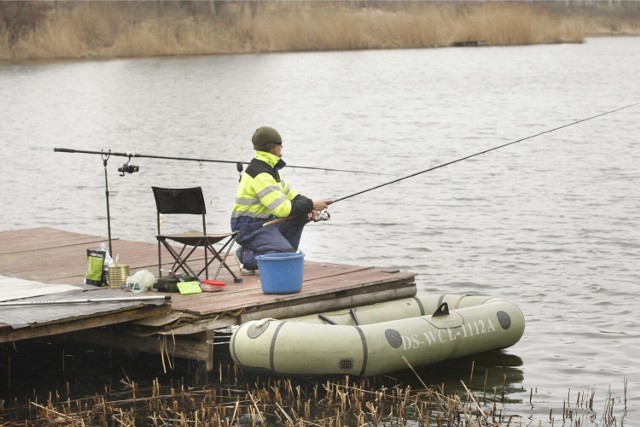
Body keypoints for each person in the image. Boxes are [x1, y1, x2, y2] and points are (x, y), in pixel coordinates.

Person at [231, 126, 333, 275]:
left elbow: (291, 194)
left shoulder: (269, 169)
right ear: (271, 148)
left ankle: (273, 250)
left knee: (301, 215)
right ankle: (246, 256)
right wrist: (311, 204)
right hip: (247, 227)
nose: (282, 146)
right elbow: (282, 209)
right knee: (286, 257)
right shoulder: (260, 174)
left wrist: (310, 206)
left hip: (263, 222)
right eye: (279, 143)